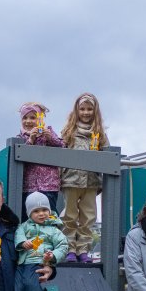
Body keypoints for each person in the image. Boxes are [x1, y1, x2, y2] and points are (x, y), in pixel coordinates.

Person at [59, 92, 108, 262]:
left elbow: (107, 154)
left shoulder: (99, 133)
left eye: (89, 109)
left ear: (95, 111)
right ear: (77, 110)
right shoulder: (69, 132)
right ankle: (70, 247)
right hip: (71, 178)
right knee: (70, 215)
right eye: (82, 109)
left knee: (88, 217)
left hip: (91, 180)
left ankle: (83, 249)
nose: (86, 112)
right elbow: (60, 153)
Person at [12, 191, 68, 291]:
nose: (41, 213)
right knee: (18, 288)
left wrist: (53, 256)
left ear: (50, 211)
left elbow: (63, 245)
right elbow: (18, 234)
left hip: (38, 262)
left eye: (44, 210)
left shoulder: (53, 230)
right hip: (22, 262)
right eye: (36, 211)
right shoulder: (24, 226)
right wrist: (22, 243)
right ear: (29, 213)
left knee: (31, 285)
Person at [17, 102, 64, 215]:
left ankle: (51, 232)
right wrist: (31, 140)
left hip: (49, 185)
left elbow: (62, 146)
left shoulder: (49, 132)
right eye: (25, 118)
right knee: (29, 214)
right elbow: (19, 155)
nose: (28, 121)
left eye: (33, 117)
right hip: (28, 185)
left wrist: (50, 138)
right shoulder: (20, 137)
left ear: (40, 119)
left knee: (49, 213)